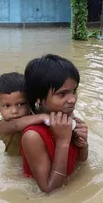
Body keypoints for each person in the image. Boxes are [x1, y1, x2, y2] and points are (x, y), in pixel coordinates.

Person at [20, 54, 88, 193]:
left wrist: (83, 144)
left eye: (74, 91)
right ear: (39, 99)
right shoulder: (33, 136)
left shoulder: (67, 118)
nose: (72, 99)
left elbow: (80, 162)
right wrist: (63, 141)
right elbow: (49, 190)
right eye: (62, 94)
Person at [0, 72, 50, 156]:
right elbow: (16, 125)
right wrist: (43, 117)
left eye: (20, 104)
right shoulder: (3, 125)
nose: (14, 111)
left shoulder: (34, 115)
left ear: (30, 103)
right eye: (7, 106)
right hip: (15, 160)